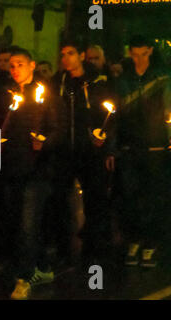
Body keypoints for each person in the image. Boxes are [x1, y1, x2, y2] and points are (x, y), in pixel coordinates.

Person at [0, 47, 62, 300]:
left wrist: (43, 141)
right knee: (17, 224)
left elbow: (57, 129)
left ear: (32, 65)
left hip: (37, 170)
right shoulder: (6, 93)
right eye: (11, 65)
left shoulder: (45, 94)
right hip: (12, 168)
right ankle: (42, 267)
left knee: (27, 225)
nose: (15, 69)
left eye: (20, 64)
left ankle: (24, 278)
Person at [50, 38, 116, 269]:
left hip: (90, 150)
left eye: (70, 53)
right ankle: (63, 249)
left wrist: (103, 136)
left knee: (94, 200)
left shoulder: (98, 80)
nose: (65, 58)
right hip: (64, 151)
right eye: (62, 54)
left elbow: (110, 113)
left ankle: (94, 249)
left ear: (80, 56)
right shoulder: (58, 82)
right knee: (59, 200)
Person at [115, 35, 171, 268]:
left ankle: (150, 243)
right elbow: (117, 114)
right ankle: (134, 240)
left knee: (153, 196)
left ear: (150, 51)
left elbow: (168, 108)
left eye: (143, 54)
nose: (138, 59)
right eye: (134, 54)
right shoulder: (124, 79)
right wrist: (112, 147)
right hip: (130, 147)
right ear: (130, 54)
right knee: (130, 197)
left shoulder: (162, 77)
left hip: (155, 145)